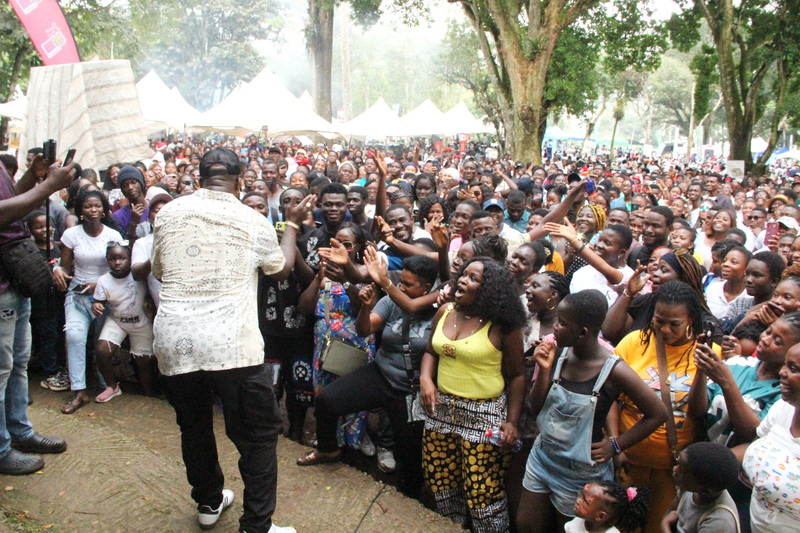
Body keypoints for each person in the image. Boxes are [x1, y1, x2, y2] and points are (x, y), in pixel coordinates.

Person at [151, 147, 312, 533]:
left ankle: (208, 501)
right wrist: (291, 224)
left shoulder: (169, 212)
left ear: (200, 176)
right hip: (232, 345)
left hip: (176, 340)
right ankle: (256, 526)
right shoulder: (251, 219)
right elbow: (281, 268)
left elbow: (159, 269)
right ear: (240, 179)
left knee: (193, 426)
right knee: (257, 436)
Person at [516, 290, 667, 533]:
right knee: (526, 525)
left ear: (582, 332)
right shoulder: (559, 353)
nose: (554, 327)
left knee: (565, 528)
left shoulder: (614, 370)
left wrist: (616, 445)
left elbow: (658, 413)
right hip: (544, 456)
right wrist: (544, 370)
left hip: (580, 471)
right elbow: (536, 407)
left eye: (562, 323)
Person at [297, 252, 439, 499]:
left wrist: (386, 283)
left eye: (408, 284)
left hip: (410, 390)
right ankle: (329, 450)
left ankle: (409, 496)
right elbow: (365, 330)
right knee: (327, 400)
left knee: (409, 453)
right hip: (380, 375)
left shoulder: (439, 309)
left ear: (427, 287)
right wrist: (365, 307)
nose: (401, 287)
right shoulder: (391, 302)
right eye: (400, 281)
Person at [419, 257, 526, 531]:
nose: (463, 280)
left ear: (489, 290)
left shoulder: (503, 326)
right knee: (441, 482)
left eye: (474, 278)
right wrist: (425, 379)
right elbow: (432, 351)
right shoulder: (444, 311)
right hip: (440, 410)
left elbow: (516, 375)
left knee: (482, 493)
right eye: (464, 274)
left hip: (484, 416)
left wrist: (512, 422)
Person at [614, 280, 720, 533]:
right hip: (629, 461)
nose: (664, 329)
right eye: (659, 320)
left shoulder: (708, 350)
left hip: (673, 470)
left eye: (674, 324)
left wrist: (703, 371)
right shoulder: (633, 343)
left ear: (691, 319)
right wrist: (616, 444)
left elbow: (699, 412)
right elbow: (611, 399)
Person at [0, 155, 71, 475]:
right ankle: (1, 449)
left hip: (16, 276)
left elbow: (10, 198)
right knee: (1, 370)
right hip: (2, 284)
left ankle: (20, 433)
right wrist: (48, 186)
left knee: (17, 364)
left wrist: (32, 177)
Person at [54, 190, 124, 415]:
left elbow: (119, 269)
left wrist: (98, 285)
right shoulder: (71, 234)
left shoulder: (112, 235)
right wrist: (57, 270)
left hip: (103, 297)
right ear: (80, 211)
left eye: (97, 206)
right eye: (87, 206)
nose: (92, 210)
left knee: (99, 344)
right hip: (77, 296)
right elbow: (65, 267)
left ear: (104, 209)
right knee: (74, 337)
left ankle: (108, 385)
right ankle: (79, 391)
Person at [742, 342, 800, 532]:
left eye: (794, 369)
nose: (782, 372)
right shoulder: (783, 408)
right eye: (785, 364)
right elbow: (756, 442)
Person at [91, 242, 157, 400]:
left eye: (122, 258)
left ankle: (147, 395)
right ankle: (112, 387)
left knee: (144, 364)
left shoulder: (139, 276)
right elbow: (98, 301)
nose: (117, 262)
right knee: (102, 350)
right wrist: (97, 305)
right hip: (118, 321)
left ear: (130, 259)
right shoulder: (103, 280)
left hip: (141, 323)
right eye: (112, 259)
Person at [661, 442, 741, 533]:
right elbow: (672, 510)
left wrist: (665, 525)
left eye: (682, 471)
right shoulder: (690, 489)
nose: (675, 469)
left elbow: (667, 519)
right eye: (678, 462)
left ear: (705, 491)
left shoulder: (718, 522)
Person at [565, 481, 650, 533]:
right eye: (581, 495)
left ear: (600, 516)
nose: (578, 500)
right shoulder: (578, 521)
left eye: (585, 501)